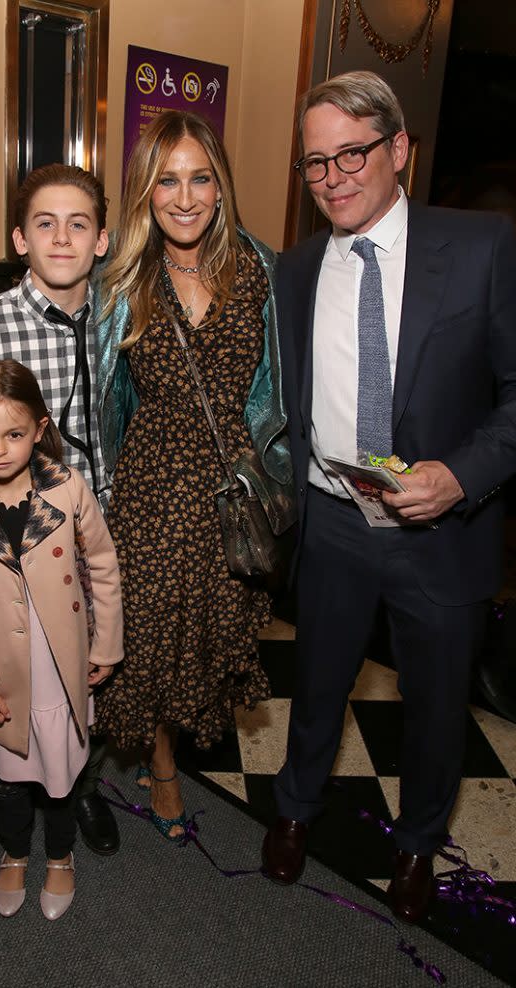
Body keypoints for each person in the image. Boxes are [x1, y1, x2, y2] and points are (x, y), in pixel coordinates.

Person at [262, 70, 516, 924]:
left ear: (399, 149)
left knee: (439, 708)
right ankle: (294, 813)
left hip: (444, 531)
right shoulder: (293, 272)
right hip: (332, 523)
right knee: (318, 684)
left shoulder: (483, 246)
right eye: (315, 164)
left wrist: (460, 476)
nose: (332, 178)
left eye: (351, 155)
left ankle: (415, 846)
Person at [92, 110, 293, 838]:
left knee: (208, 633)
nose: (184, 196)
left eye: (200, 177)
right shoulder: (122, 279)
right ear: (145, 191)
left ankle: (175, 738)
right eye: (166, 180)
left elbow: (294, 377)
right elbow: (48, 313)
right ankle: (167, 764)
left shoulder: (263, 268)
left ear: (221, 185)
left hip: (234, 486)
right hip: (150, 483)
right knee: (151, 632)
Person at [0, 165, 121, 856]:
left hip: (106, 521)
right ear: (20, 238)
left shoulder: (122, 314)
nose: (63, 238)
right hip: (19, 544)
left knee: (92, 670)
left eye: (79, 224)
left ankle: (80, 783)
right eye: (44, 224)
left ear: (102, 239)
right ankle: (23, 791)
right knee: (24, 671)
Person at [0, 359, 123, 920]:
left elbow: (105, 567)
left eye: (14, 434)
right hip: (1, 672)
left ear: (39, 429)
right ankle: (15, 851)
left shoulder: (67, 488)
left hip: (60, 665)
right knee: (9, 783)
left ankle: (59, 856)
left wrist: (106, 646)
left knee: (61, 777)